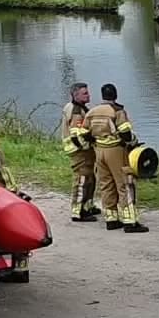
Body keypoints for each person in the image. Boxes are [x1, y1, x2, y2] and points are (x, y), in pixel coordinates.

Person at [86, 83, 147, 233]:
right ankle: (130, 222)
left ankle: (111, 219)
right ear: (116, 95)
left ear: (102, 96)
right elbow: (125, 132)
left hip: (99, 151)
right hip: (116, 151)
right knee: (125, 184)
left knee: (106, 185)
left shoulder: (92, 111)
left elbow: (84, 133)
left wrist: (97, 141)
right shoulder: (117, 111)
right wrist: (132, 142)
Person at [60, 82, 99, 222]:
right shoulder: (77, 111)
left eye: (88, 92)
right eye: (85, 93)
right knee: (82, 179)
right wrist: (85, 145)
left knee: (90, 178)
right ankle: (78, 211)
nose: (88, 95)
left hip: (80, 150)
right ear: (75, 95)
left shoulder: (73, 106)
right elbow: (76, 134)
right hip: (79, 151)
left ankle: (88, 206)